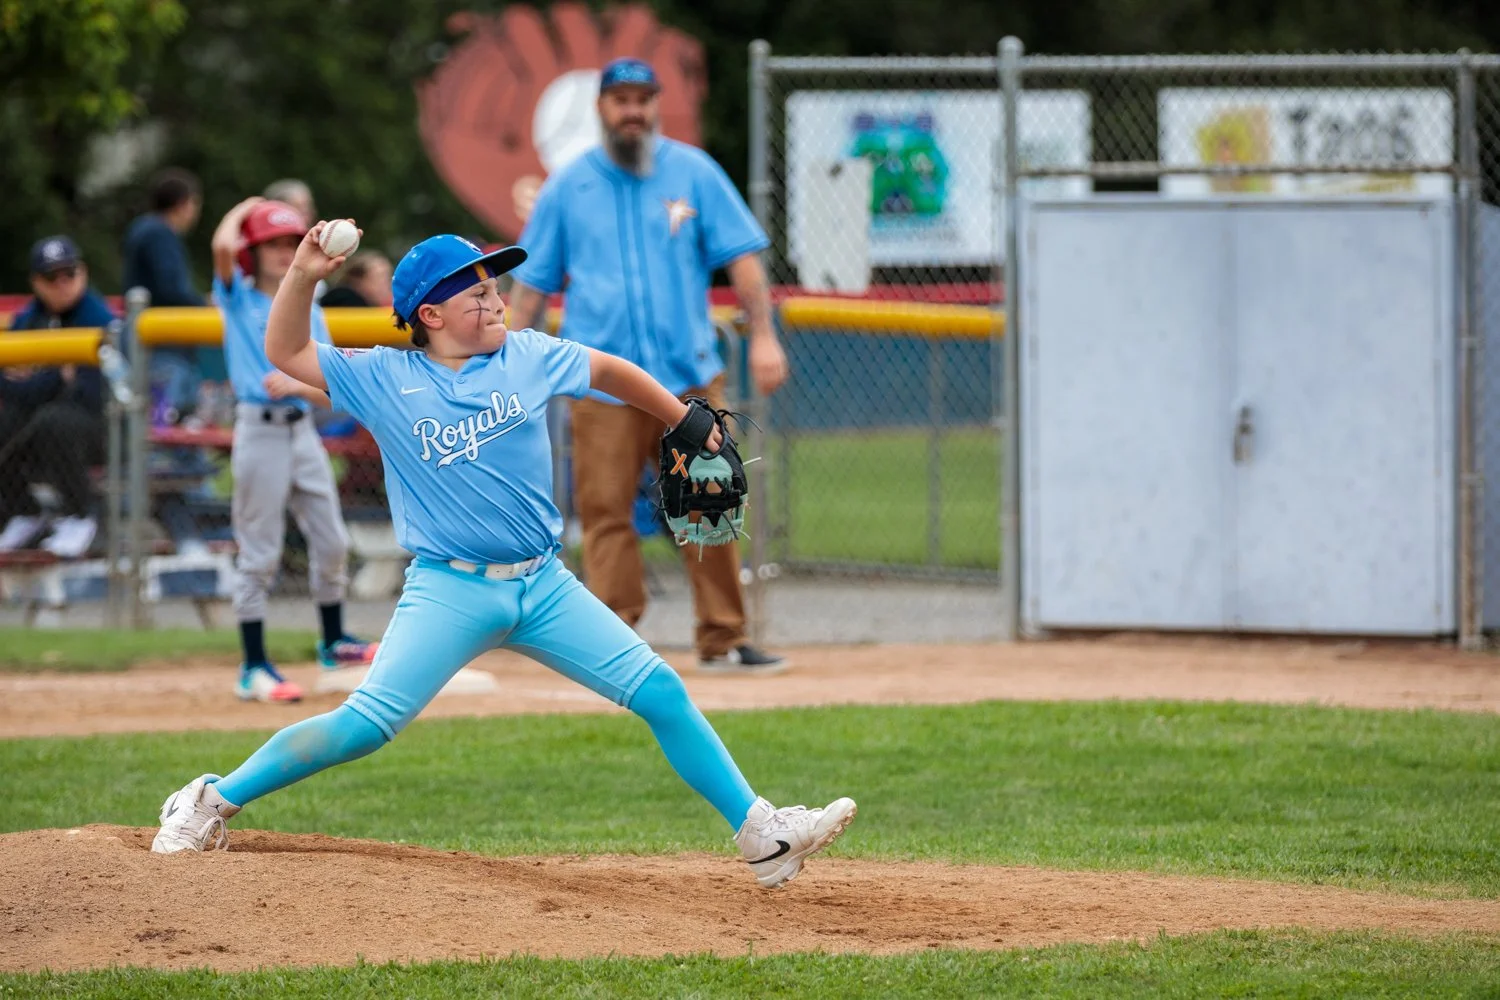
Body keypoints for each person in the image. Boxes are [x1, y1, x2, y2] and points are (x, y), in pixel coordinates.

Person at [149, 224, 858, 889]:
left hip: (544, 585)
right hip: (450, 591)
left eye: (494, 289)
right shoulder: (384, 377)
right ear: (430, 314)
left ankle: (760, 834)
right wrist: (304, 274)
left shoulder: (528, 354)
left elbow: (609, 371)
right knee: (363, 728)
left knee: (660, 690)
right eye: (477, 294)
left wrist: (682, 418)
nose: (495, 302)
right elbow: (285, 352)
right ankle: (211, 798)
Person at [510, 58, 792, 676]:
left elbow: (743, 259)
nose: (632, 111)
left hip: (686, 375)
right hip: (601, 383)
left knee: (710, 503)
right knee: (606, 512)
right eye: (621, 100)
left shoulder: (694, 171)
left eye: (643, 99)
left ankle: (724, 636)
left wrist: (765, 336)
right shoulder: (568, 186)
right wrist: (499, 365)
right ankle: (614, 645)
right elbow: (531, 287)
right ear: (601, 108)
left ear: (657, 104)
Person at [211, 196, 377, 703]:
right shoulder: (238, 296)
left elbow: (325, 378)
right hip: (258, 429)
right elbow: (221, 245)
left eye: (290, 242)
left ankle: (333, 641)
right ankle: (253, 666)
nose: (283, 252)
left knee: (332, 540)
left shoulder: (310, 304)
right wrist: (249, 207)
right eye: (271, 244)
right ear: (253, 252)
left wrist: (299, 385)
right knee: (260, 552)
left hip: (302, 430)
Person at [0, 236, 113, 557]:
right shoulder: (28, 319)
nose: (62, 284)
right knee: (10, 420)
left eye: (69, 273)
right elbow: (8, 386)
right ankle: (24, 512)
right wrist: (55, 377)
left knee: (55, 422)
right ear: (36, 282)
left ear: (83, 272)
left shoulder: (98, 318)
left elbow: (90, 395)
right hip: (40, 421)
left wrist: (37, 380)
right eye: (51, 277)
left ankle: (80, 515)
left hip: (102, 429)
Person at [122, 167, 207, 424]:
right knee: (166, 418)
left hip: (148, 339)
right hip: (162, 344)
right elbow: (172, 289)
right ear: (183, 203)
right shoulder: (160, 233)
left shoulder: (144, 228)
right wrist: (204, 304)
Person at [318, 251, 394, 309]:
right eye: (380, 277)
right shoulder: (344, 300)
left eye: (388, 276)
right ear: (358, 280)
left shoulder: (371, 304)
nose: (386, 283)